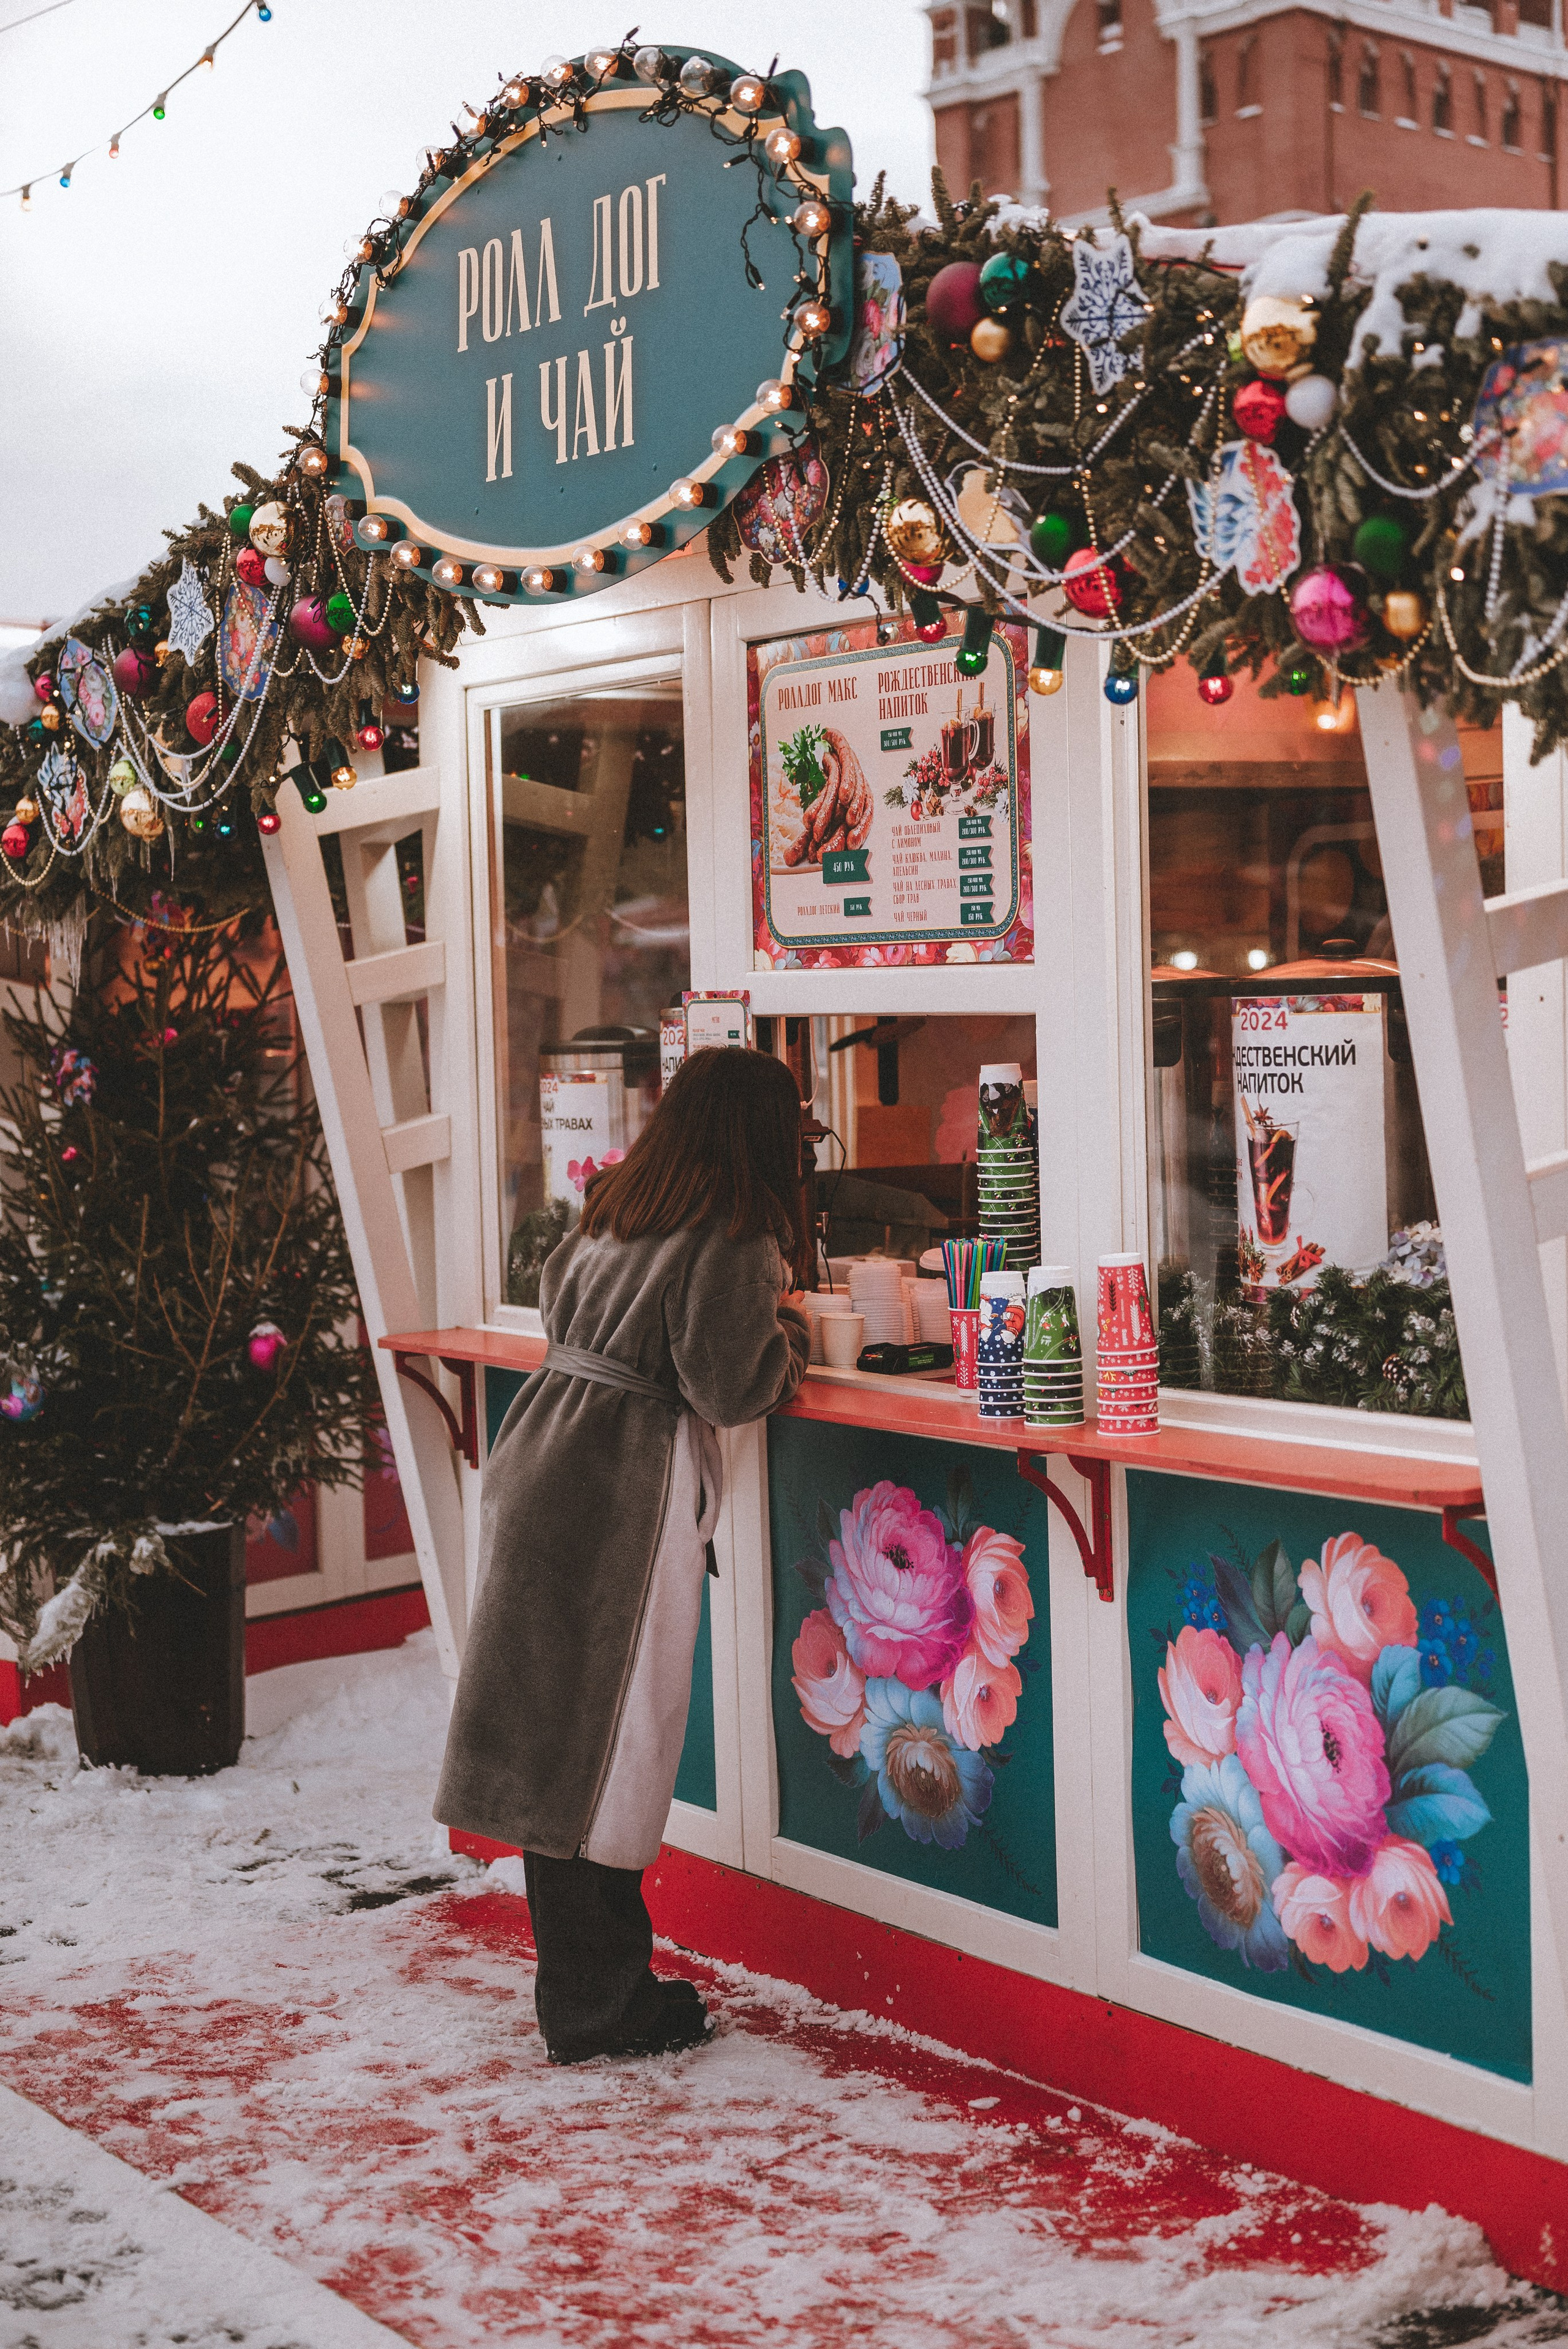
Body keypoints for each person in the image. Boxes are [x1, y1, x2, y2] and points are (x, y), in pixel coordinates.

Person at [435, 1047, 811, 2064]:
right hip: (620, 1488)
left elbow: (565, 1316)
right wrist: (796, 1341)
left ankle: (594, 1985)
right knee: (613, 1744)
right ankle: (601, 2004)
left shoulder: (610, 1212)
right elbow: (733, 1386)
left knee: (552, 1739)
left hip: (542, 1454)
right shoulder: (733, 1234)